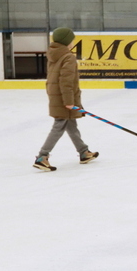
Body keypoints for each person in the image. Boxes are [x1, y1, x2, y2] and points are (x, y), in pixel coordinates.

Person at [33, 27, 98, 171]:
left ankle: (83, 152)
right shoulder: (68, 57)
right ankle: (42, 157)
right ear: (67, 41)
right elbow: (65, 81)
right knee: (60, 125)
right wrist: (69, 102)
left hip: (56, 95)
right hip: (64, 97)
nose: (73, 42)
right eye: (72, 40)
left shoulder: (54, 54)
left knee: (71, 124)